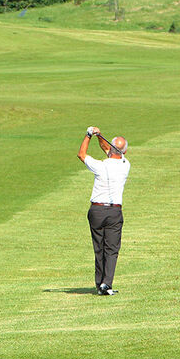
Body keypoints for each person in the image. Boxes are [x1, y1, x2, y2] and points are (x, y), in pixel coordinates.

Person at [77, 126, 130, 295]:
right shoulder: (125, 164)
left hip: (97, 211)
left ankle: (100, 284)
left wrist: (89, 135)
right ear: (125, 152)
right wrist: (100, 137)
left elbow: (82, 154)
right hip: (114, 212)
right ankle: (106, 284)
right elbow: (108, 149)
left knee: (99, 248)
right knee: (111, 249)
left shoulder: (100, 166)